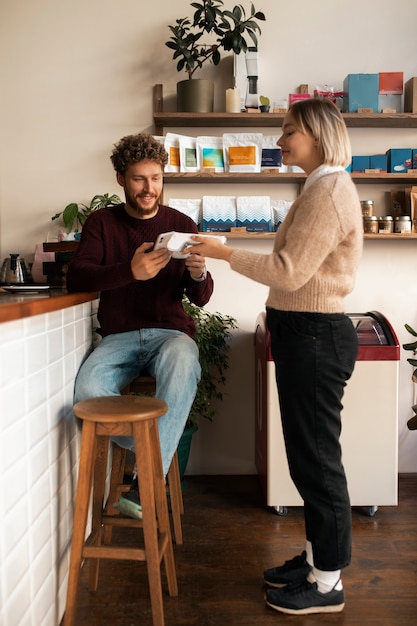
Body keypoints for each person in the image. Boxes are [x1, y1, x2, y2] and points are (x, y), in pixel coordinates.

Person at [184, 98, 363, 615]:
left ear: (318, 135)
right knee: (308, 458)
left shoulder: (328, 192)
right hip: (302, 332)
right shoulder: (318, 187)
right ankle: (315, 559)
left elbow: (287, 272)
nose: (279, 142)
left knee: (318, 461)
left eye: (288, 133)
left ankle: (328, 584)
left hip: (313, 336)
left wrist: (222, 252)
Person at [66, 132, 213, 519]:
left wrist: (199, 275)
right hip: (118, 337)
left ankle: (144, 482)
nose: (150, 188)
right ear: (120, 179)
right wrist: (128, 271)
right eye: (139, 179)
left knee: (184, 361)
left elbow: (198, 298)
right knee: (87, 392)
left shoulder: (181, 224)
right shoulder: (101, 223)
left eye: (156, 178)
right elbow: (77, 278)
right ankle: (156, 456)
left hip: (170, 334)